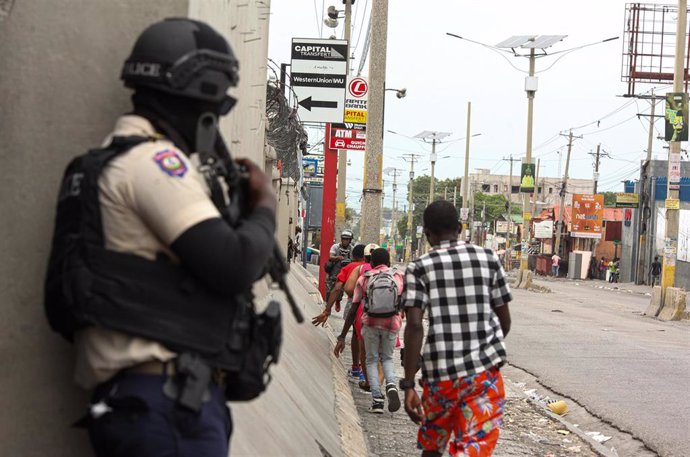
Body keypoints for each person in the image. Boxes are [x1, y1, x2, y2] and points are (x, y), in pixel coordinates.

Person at [43, 18, 277, 457]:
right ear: (203, 94)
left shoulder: (113, 162)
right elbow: (235, 263)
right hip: (167, 404)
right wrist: (265, 206)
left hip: (143, 401)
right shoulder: (155, 164)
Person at [401, 201, 512, 457]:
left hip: (440, 377)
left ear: (427, 234)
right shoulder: (488, 258)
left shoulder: (418, 268)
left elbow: (415, 326)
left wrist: (408, 384)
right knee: (473, 446)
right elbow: (504, 320)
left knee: (432, 445)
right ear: (460, 228)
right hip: (482, 377)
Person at [335, 248, 404, 414]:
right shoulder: (398, 276)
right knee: (387, 358)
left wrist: (343, 336)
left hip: (371, 323)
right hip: (391, 324)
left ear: (371, 263)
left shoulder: (365, 278)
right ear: (388, 263)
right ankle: (391, 385)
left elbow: (353, 308)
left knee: (371, 360)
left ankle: (377, 400)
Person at [312, 244, 367, 382]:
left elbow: (337, 288)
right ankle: (369, 373)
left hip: (354, 304)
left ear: (353, 256)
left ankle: (357, 369)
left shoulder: (349, 267)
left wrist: (327, 309)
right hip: (374, 306)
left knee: (356, 334)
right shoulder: (371, 267)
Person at [325, 230, 355, 311]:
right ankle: (328, 306)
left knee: (340, 291)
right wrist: (338, 258)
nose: (345, 241)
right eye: (344, 239)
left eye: (347, 239)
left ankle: (338, 301)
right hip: (333, 272)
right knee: (329, 290)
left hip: (344, 273)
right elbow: (330, 257)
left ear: (350, 240)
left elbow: (355, 260)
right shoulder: (335, 247)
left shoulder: (352, 249)